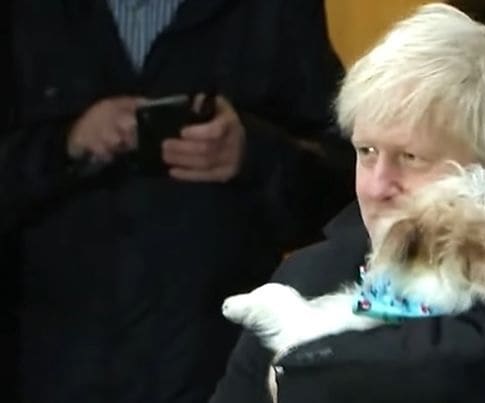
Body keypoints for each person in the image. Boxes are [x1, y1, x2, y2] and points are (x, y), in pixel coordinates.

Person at [209, 4, 485, 403]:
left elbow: (465, 371)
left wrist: (296, 351)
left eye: (410, 158)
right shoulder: (309, 273)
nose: (377, 185)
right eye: (366, 153)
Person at [0, 0, 353, 402]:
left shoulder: (274, 11)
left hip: (217, 371)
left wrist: (252, 154)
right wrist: (64, 147)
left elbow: (350, 192)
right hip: (46, 370)